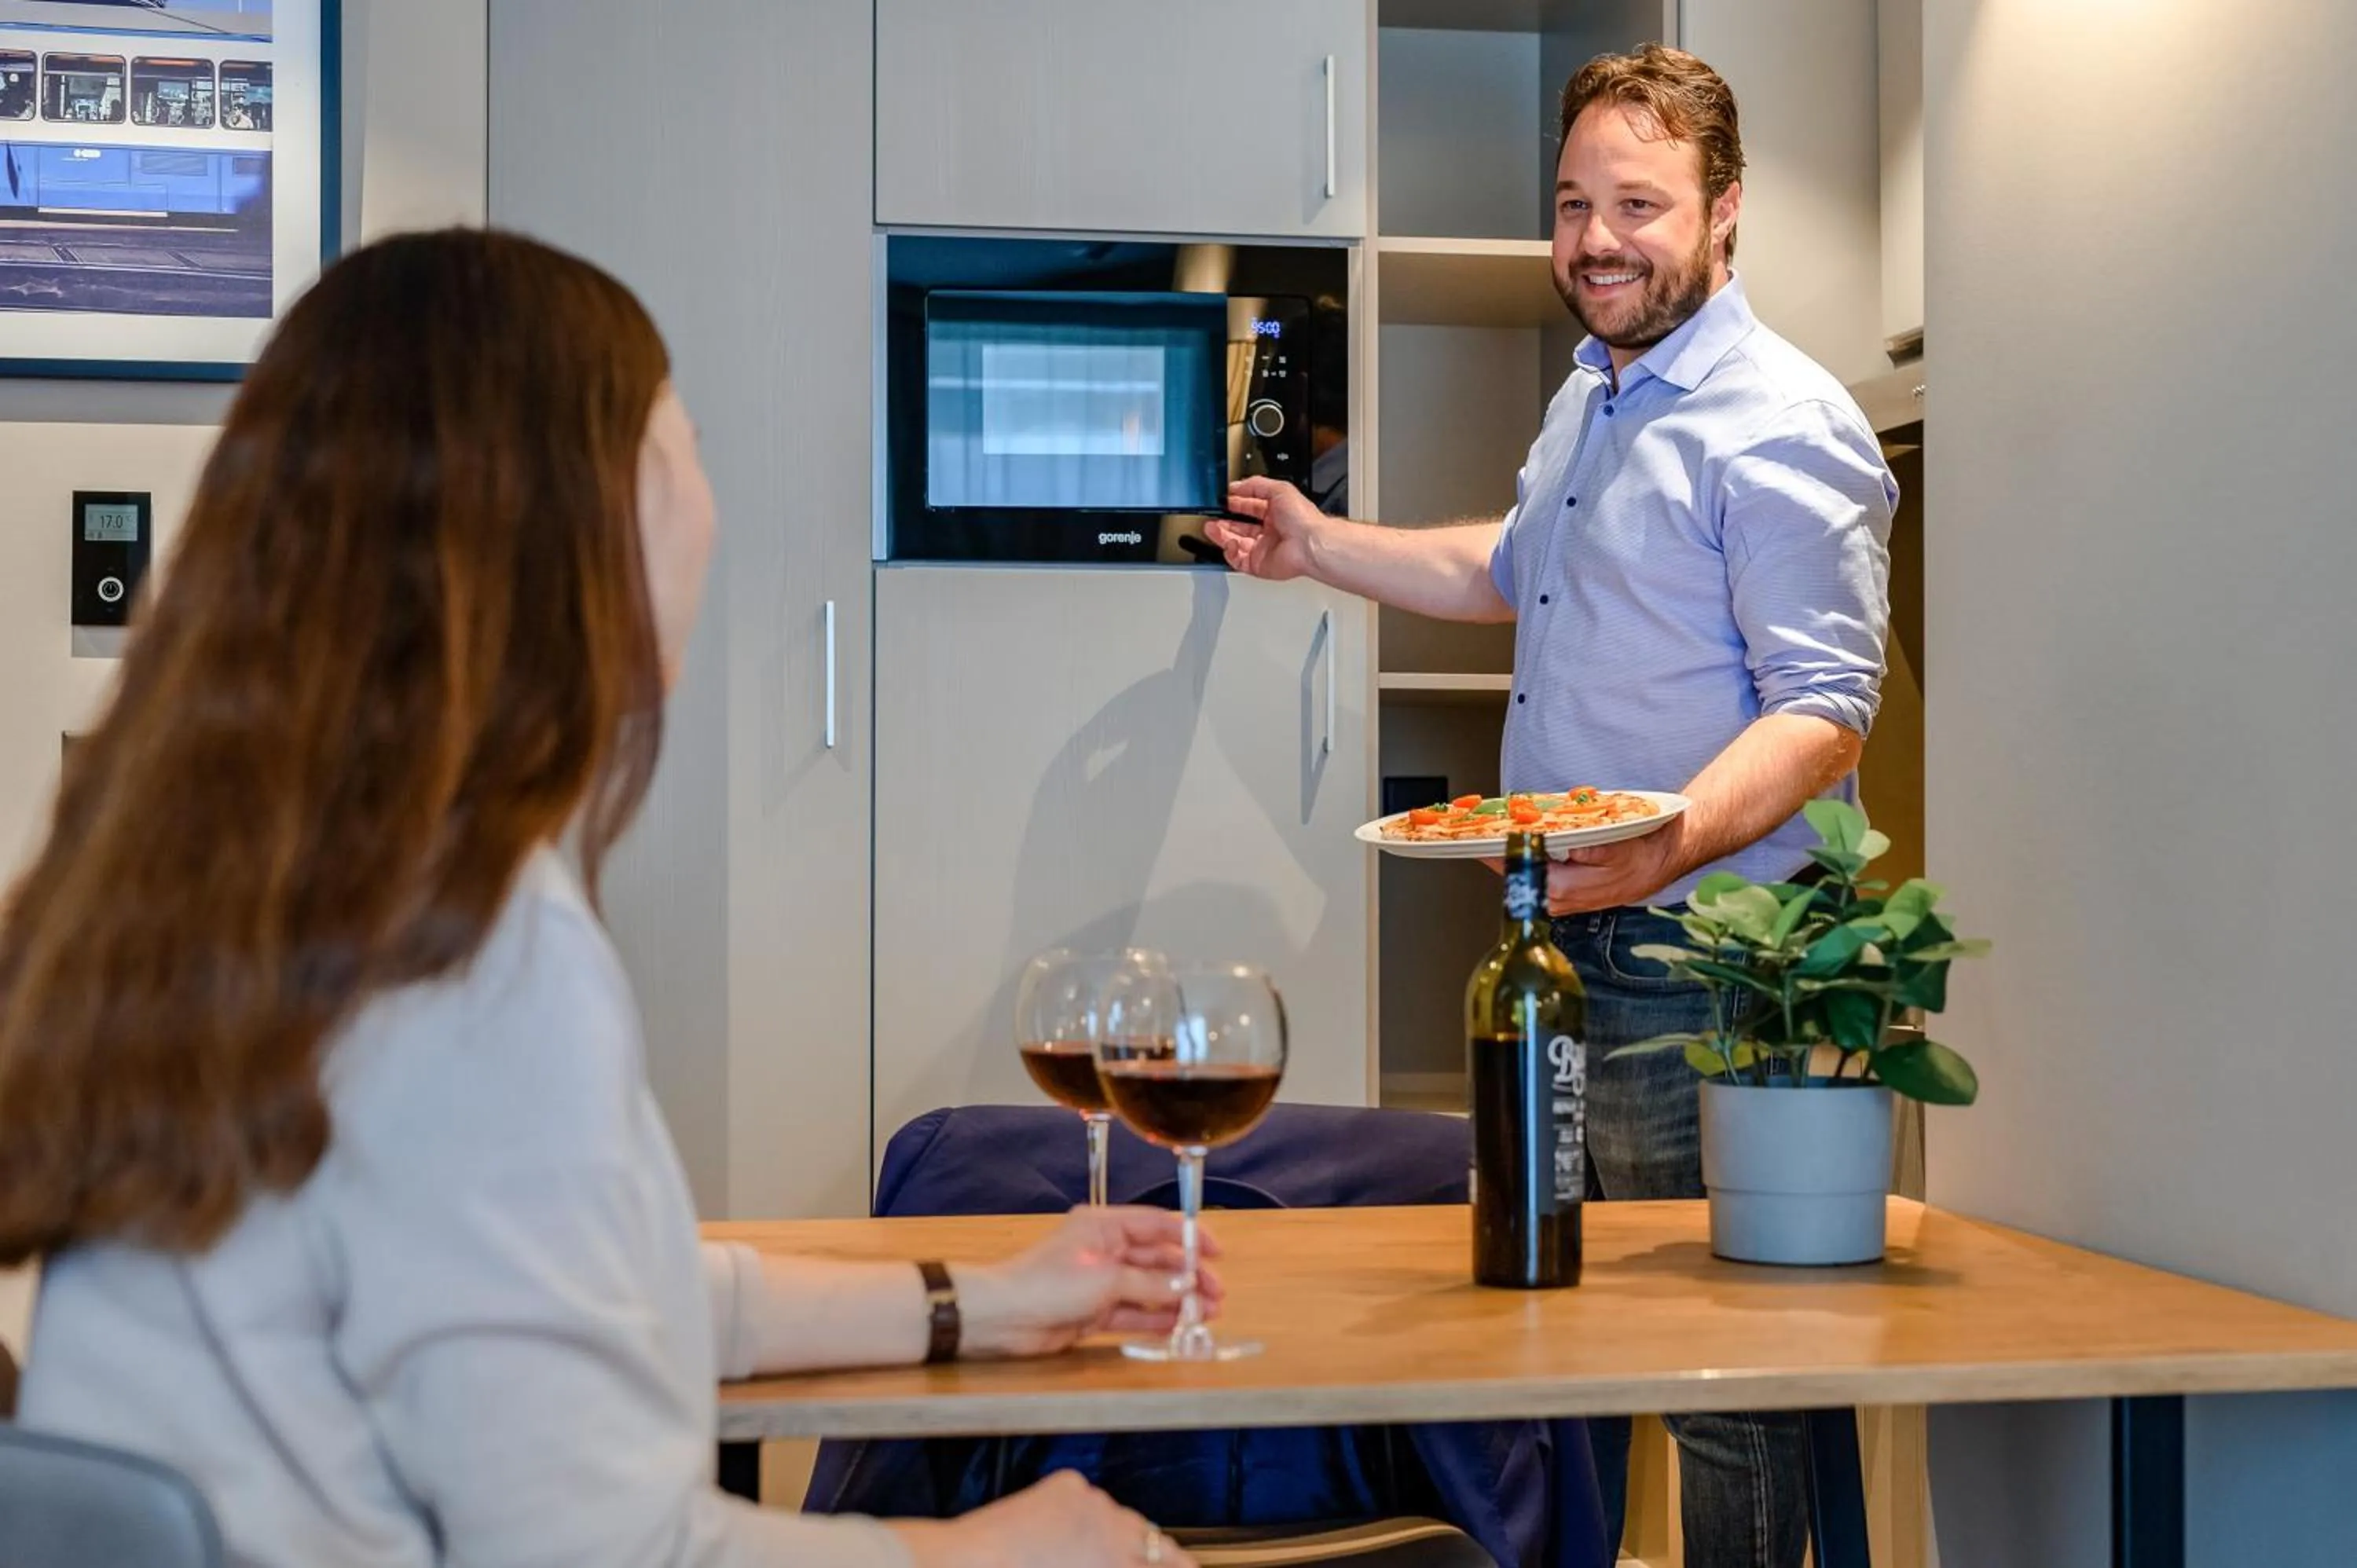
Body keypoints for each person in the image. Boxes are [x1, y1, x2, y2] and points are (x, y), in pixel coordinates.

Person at [0, 229, 1212, 1568]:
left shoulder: (244, 890)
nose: (709, 494)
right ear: (586, 510)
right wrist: (1007, 1552)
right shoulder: (472, 955)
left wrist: (974, 1301)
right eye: (683, 437)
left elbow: (583, 1296)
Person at [1208, 44, 1895, 1568]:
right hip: (1571, 943)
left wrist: (1665, 844)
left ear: (1727, 212)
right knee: (1566, 1341)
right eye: (1574, 200)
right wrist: (1322, 547)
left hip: (1706, 952)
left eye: (1637, 202)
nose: (1594, 237)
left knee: (1726, 1369)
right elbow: (1508, 571)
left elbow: (1826, 709)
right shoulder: (1597, 394)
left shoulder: (1782, 419)